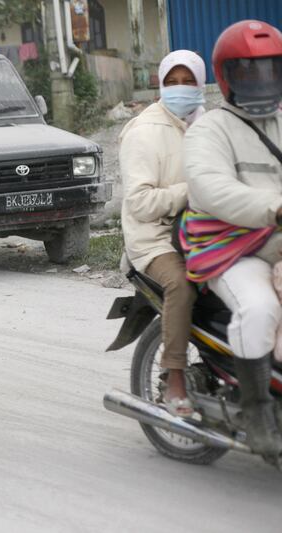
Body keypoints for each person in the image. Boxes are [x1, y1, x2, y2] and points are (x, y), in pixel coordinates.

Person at [182, 20, 282, 456]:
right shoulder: (211, 130)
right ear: (226, 76)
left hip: (277, 242)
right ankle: (257, 409)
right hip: (232, 248)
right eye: (249, 71)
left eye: (271, 69)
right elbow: (210, 189)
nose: (262, 81)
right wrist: (273, 206)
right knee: (259, 309)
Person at [119, 50, 207, 418]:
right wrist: (193, 190)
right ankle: (174, 376)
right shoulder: (143, 131)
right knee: (182, 285)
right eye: (173, 82)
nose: (181, 89)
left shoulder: (208, 124)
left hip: (204, 233)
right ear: (160, 84)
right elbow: (139, 203)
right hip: (154, 240)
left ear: (202, 84)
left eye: (189, 82)